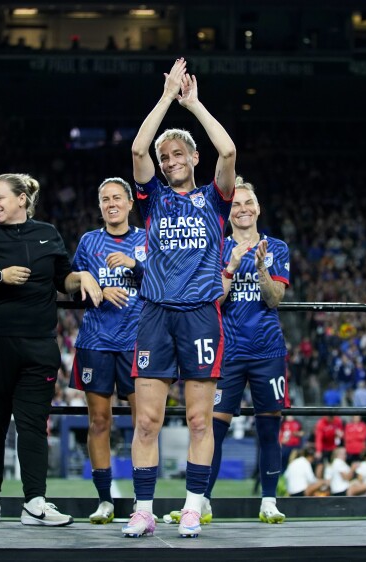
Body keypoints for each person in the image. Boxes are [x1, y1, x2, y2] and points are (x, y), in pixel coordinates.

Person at [122, 57, 236, 539]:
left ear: (192, 158)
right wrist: (167, 96)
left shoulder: (215, 198)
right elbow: (136, 146)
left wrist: (194, 105)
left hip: (200, 318)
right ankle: (143, 510)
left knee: (197, 418)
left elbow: (228, 150)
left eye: (176, 155)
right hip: (154, 315)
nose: (167, 161)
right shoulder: (153, 198)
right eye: (164, 157)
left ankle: (192, 506)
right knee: (146, 421)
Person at [0, 172, 103, 526]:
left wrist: (84, 278)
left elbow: (63, 279)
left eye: (0, 197)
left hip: (37, 345)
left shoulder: (48, 234)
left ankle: (35, 502)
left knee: (34, 425)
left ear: (22, 199)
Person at [193, 176, 290, 524]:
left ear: (258, 208)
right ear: (228, 210)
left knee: (268, 430)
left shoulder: (276, 247)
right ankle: (203, 500)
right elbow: (213, 299)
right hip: (228, 352)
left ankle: (268, 501)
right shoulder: (217, 248)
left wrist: (261, 265)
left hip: (268, 352)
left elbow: (274, 299)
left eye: (248, 202)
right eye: (235, 204)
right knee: (213, 430)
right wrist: (232, 267)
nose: (243, 209)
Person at [68, 178, 145, 524]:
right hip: (96, 342)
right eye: (104, 199)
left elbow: (166, 280)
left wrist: (134, 266)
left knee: (144, 423)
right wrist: (92, 284)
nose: (111, 203)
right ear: (99, 207)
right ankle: (105, 501)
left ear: (130, 203)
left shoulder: (146, 239)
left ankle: (143, 502)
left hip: (138, 343)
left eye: (117, 198)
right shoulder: (89, 241)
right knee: (99, 421)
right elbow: (70, 283)